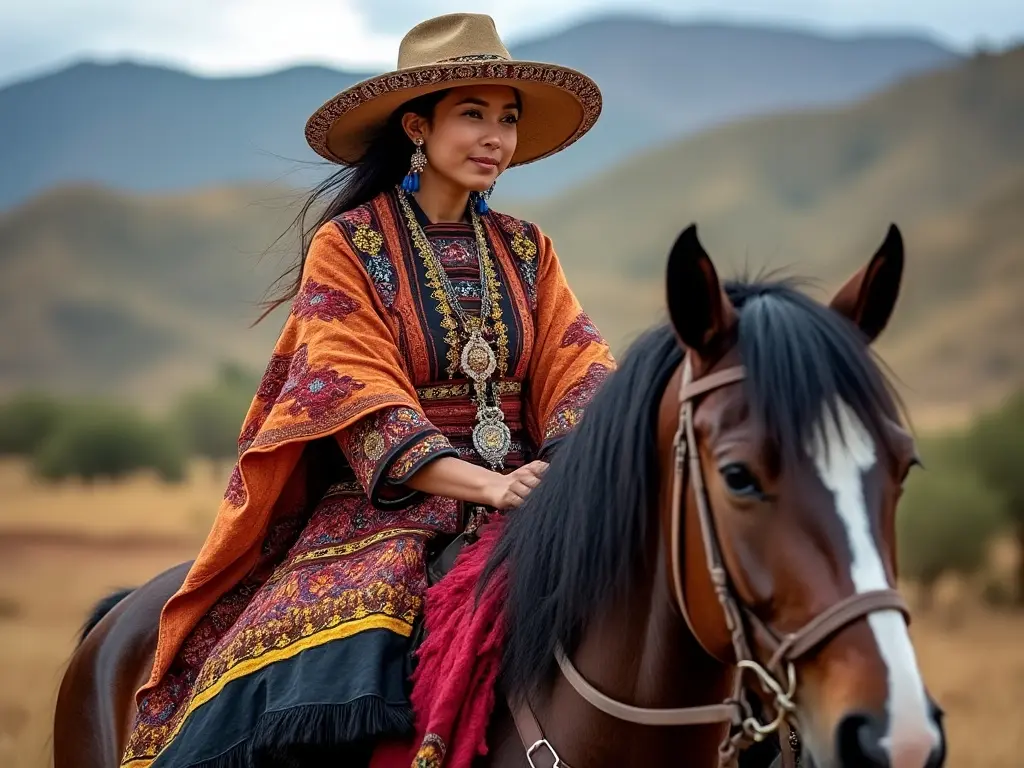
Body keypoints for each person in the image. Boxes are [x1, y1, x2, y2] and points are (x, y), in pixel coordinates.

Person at [121, 12, 614, 768]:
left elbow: (578, 363)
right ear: (418, 126)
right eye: (473, 115)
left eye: (508, 119)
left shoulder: (527, 247)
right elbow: (353, 391)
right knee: (289, 679)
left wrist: (560, 469)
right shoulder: (349, 244)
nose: (496, 138)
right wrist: (489, 487)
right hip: (386, 509)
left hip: (528, 490)